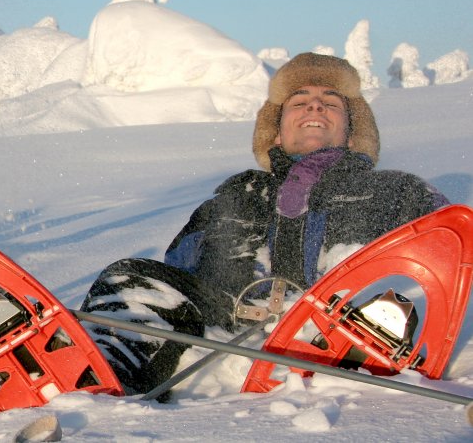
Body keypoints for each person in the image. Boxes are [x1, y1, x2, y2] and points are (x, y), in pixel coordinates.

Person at [78, 53, 450, 400]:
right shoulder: (236, 194)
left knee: (390, 304)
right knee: (131, 278)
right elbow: (177, 272)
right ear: (274, 133)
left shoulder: (397, 190)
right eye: (299, 100)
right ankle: (93, 384)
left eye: (331, 102)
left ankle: (362, 378)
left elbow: (456, 251)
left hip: (338, 333)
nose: (315, 106)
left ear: (354, 135)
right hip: (226, 339)